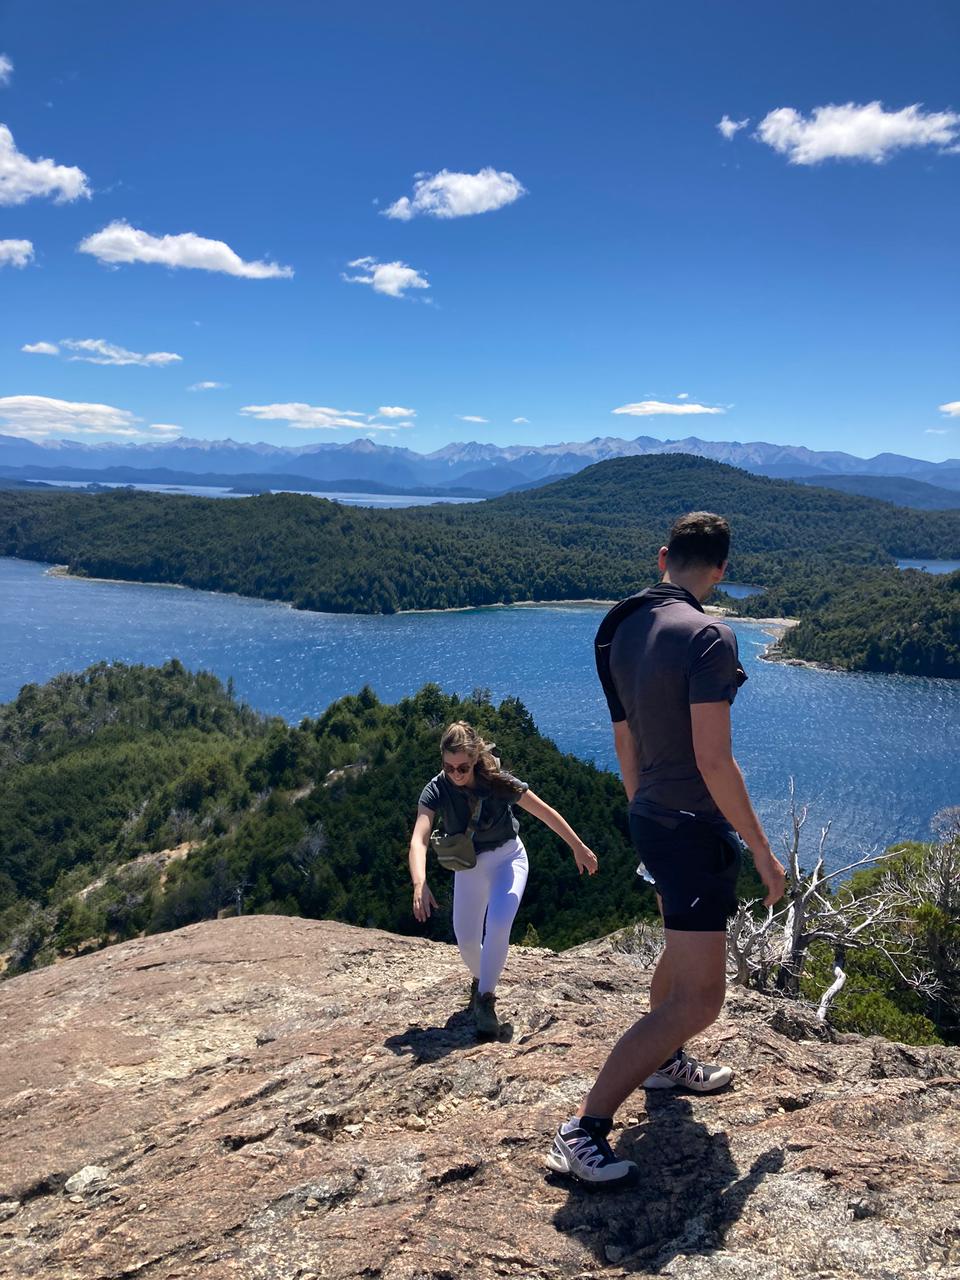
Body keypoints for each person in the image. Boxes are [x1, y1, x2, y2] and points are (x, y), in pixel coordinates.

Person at [547, 511, 787, 1185]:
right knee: (702, 999)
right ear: (720, 571)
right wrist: (764, 855)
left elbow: (627, 742)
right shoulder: (710, 636)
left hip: (652, 815)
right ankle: (583, 1127)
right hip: (689, 827)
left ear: (663, 558)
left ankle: (662, 1065)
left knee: (681, 960)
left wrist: (642, 814)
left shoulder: (617, 627)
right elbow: (714, 760)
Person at [409, 720, 599, 1039]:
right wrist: (419, 881)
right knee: (467, 940)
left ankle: (485, 1000)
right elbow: (420, 837)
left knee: (498, 923)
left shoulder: (497, 782)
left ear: (475, 760)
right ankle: (482, 980)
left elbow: (543, 811)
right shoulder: (438, 788)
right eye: (449, 767)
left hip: (508, 858)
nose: (455, 774)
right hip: (469, 866)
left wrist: (577, 846)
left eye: (463, 768)